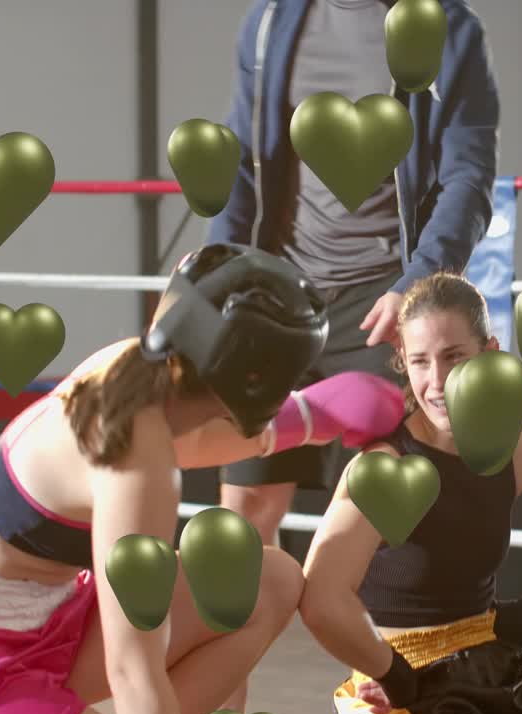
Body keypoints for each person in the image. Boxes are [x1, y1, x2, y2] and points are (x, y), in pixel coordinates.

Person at [0, 245, 405, 714]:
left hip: (62, 619)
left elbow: (204, 433)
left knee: (269, 582)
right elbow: (133, 671)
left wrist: (310, 416)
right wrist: (305, 413)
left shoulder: (132, 373)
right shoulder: (137, 471)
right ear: (256, 381)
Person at [205, 0, 500, 566]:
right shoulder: (269, 25)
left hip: (382, 301)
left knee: (377, 525)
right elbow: (241, 162)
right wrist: (221, 263)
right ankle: (219, 653)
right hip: (276, 300)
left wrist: (415, 285)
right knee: (241, 516)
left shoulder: (448, 30)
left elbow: (469, 178)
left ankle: (381, 653)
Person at [298, 272, 522, 714]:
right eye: (422, 361)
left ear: (490, 353)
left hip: (491, 672)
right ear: (403, 361)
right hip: (396, 692)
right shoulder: (383, 467)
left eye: (454, 357)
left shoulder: (520, 445)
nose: (438, 381)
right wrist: (393, 673)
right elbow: (320, 598)